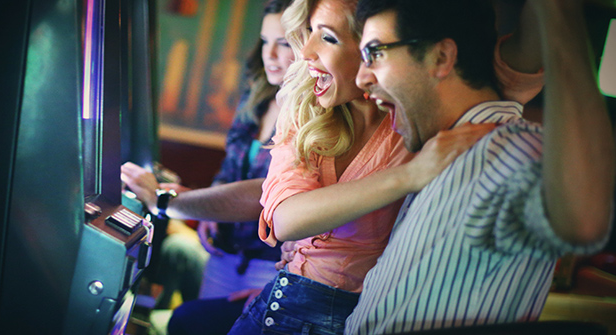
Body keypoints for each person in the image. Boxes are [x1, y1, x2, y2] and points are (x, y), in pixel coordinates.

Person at [227, 0, 544, 333]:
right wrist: (409, 175)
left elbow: (529, 49)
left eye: (328, 37)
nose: (305, 51)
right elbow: (285, 219)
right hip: (285, 303)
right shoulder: (305, 107)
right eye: (309, 33)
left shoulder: (421, 104)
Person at [345, 0, 615, 333]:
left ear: (441, 58)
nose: (361, 78)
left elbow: (582, 222)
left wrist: (557, 11)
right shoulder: (447, 153)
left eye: (375, 53)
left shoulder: (503, 150)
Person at [123, 0, 295, 332]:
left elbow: (267, 194)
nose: (270, 54)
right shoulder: (256, 96)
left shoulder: (316, 113)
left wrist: (172, 201)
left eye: (284, 43)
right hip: (224, 252)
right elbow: (230, 170)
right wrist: (210, 210)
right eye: (265, 41)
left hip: (271, 264)